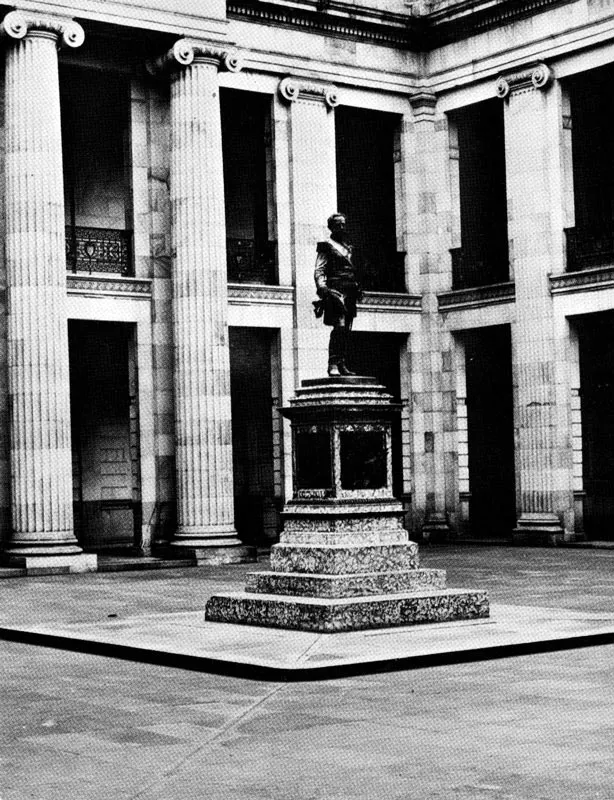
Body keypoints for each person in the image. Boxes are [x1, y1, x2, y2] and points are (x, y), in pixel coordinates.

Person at [314, 213, 362, 377]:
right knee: (339, 326)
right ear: (331, 227)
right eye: (338, 225)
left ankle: (341, 363)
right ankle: (332, 364)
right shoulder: (326, 245)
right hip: (336, 291)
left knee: (347, 328)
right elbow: (319, 270)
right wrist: (322, 288)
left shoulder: (348, 247)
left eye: (343, 224)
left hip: (350, 292)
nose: (341, 228)